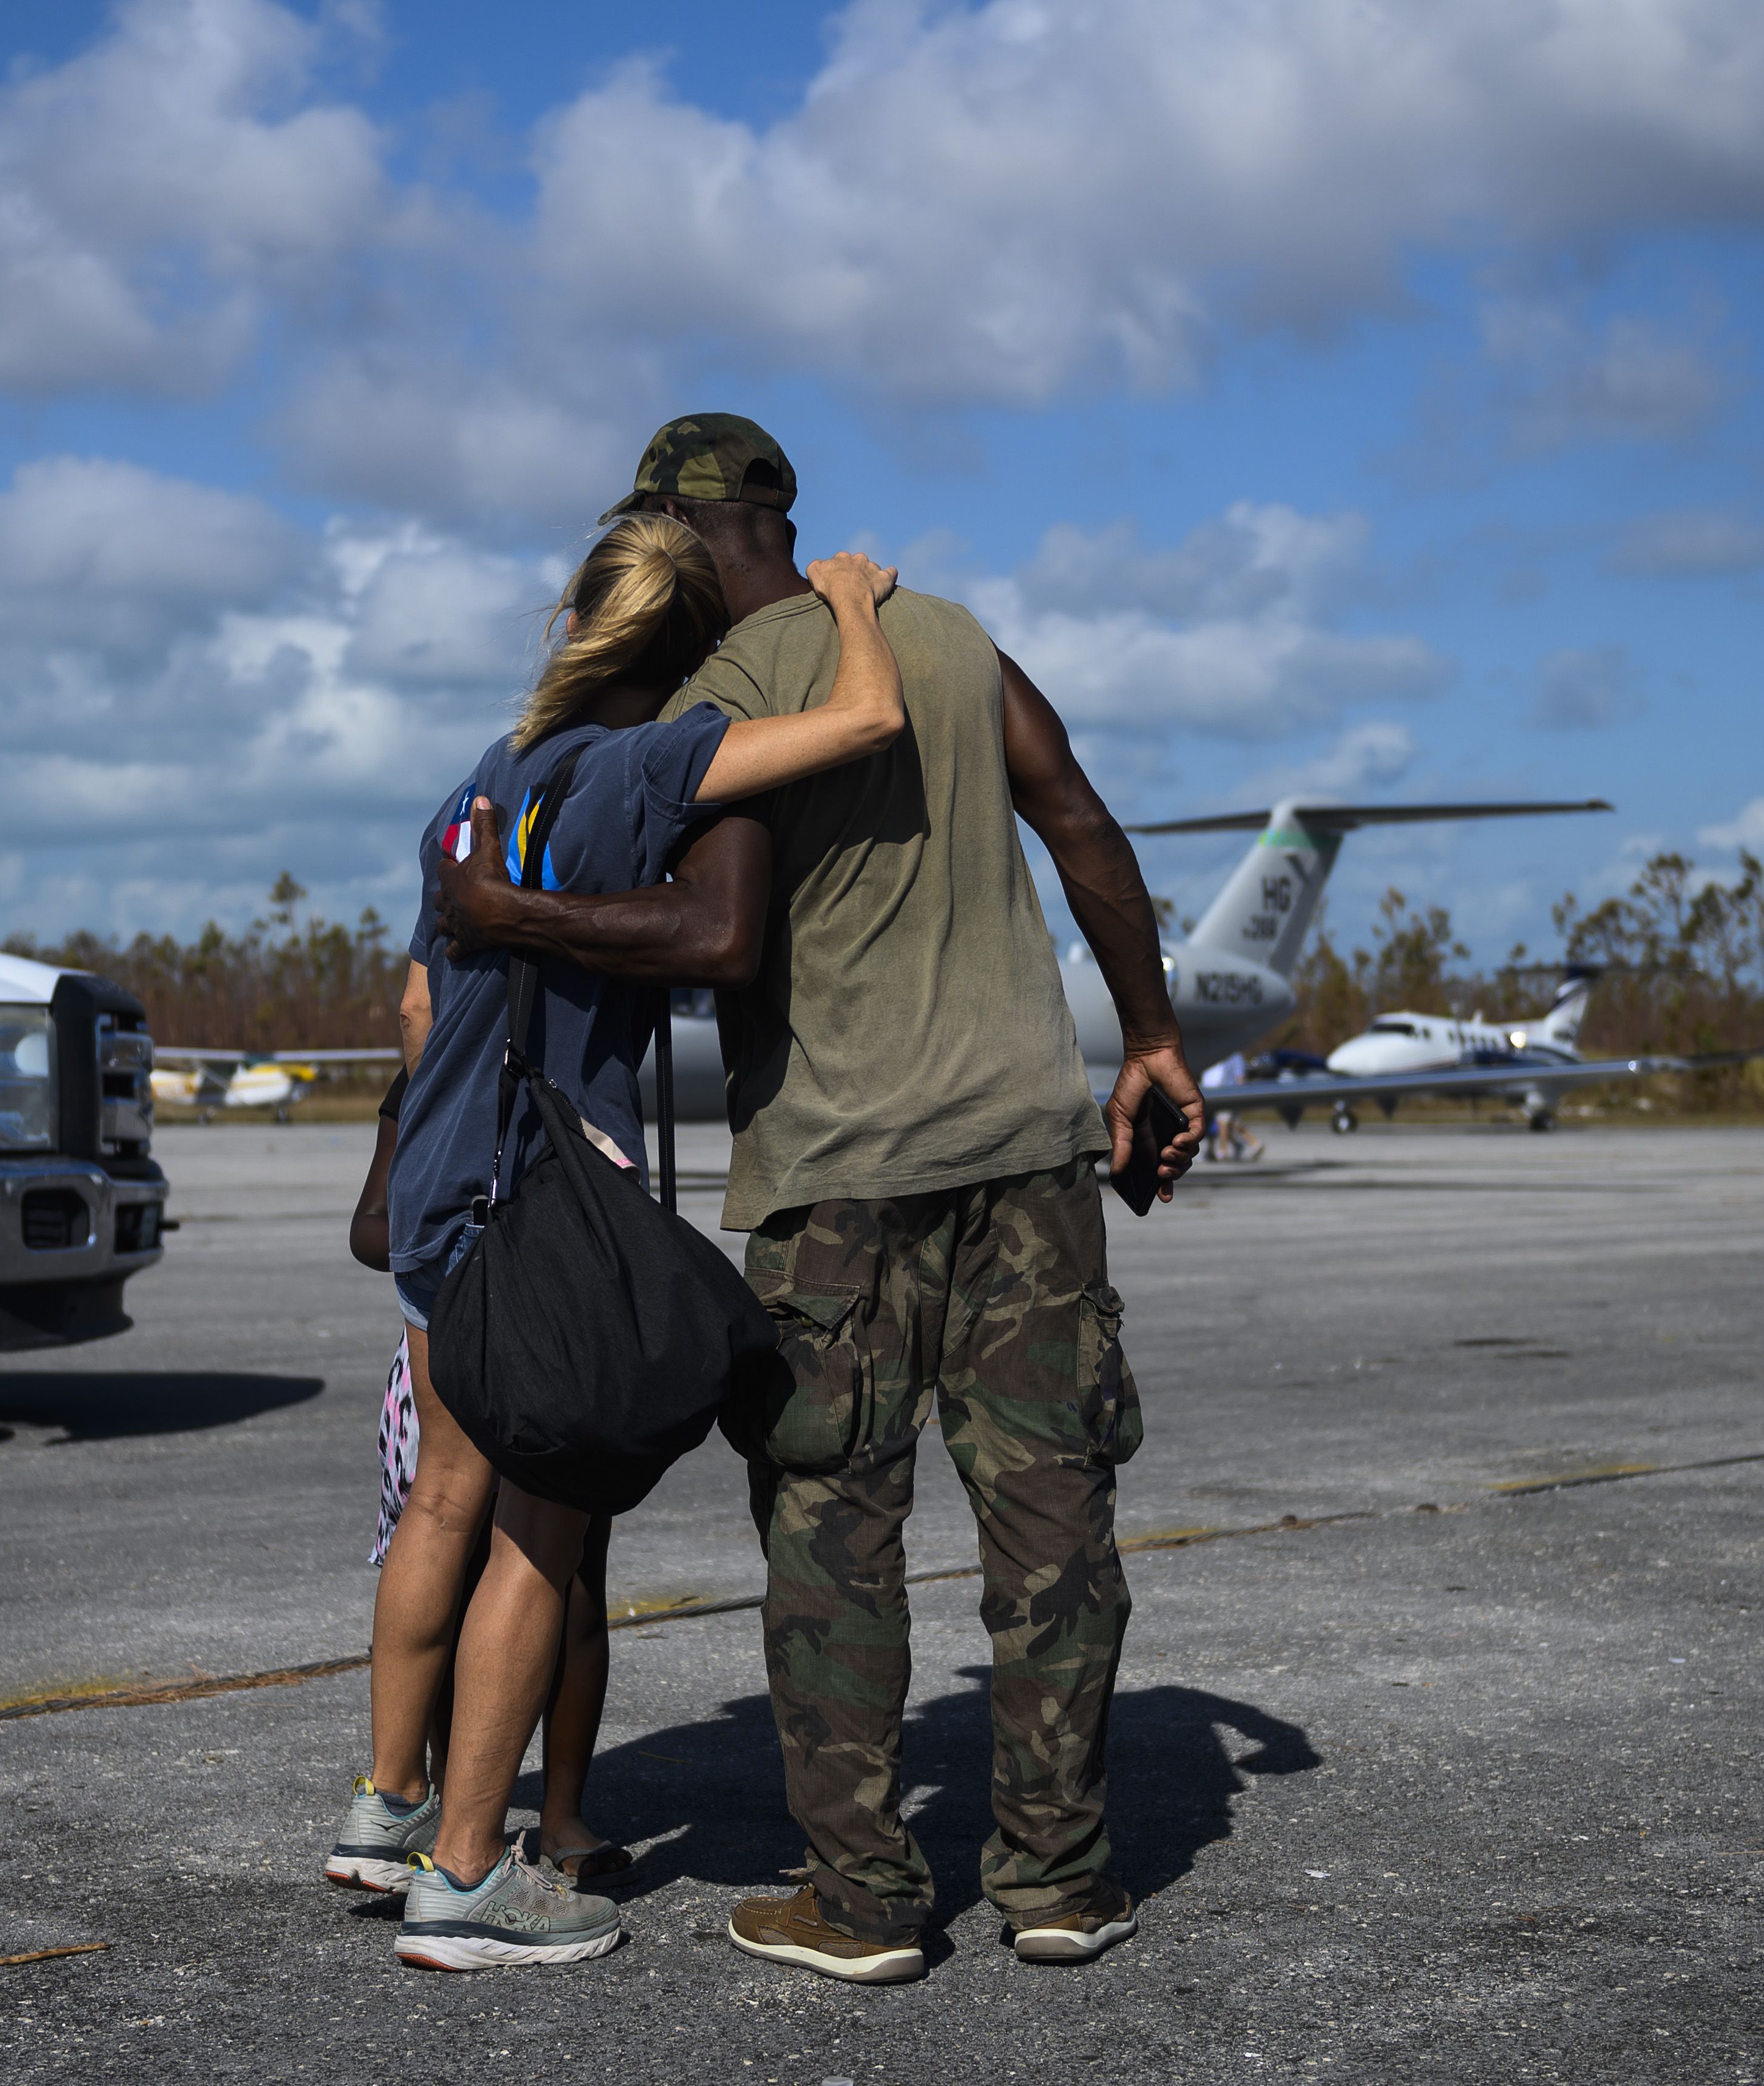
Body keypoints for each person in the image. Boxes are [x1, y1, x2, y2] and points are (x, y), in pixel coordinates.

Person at [434, 412, 1206, 1984]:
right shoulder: (950, 635)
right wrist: (1153, 1041)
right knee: (1052, 1524)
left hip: (841, 1178)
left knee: (832, 1539)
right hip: (1027, 1161)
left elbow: (713, 931)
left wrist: (514, 915)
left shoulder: (733, 691)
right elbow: (1085, 833)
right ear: (785, 515)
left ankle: (860, 1903)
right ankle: (1059, 1883)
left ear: (662, 530)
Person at [359, 509, 913, 1972]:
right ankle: (470, 1875)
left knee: (447, 1507)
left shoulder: (474, 794)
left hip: (438, 1188)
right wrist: (851, 598)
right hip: (538, 1202)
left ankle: (387, 1806)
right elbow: (869, 718)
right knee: (542, 1542)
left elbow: (420, 1014)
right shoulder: (644, 765)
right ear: (686, 649)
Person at [332, 1069, 631, 1892]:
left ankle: (559, 1814)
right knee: (464, 1568)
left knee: (574, 1580)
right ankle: (438, 1799)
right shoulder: (432, 1081)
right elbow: (370, 1228)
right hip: (471, 1361)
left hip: (487, 1349)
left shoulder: (466, 1055)